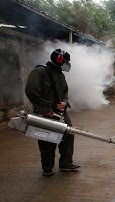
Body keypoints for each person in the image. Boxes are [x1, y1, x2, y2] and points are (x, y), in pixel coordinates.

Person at [25, 49, 80, 177]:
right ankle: (47, 168)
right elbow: (31, 91)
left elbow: (65, 92)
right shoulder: (39, 71)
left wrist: (65, 103)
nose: (66, 64)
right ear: (59, 59)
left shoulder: (60, 74)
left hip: (60, 112)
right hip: (44, 113)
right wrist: (46, 109)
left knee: (68, 134)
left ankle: (66, 163)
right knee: (47, 140)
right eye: (65, 61)